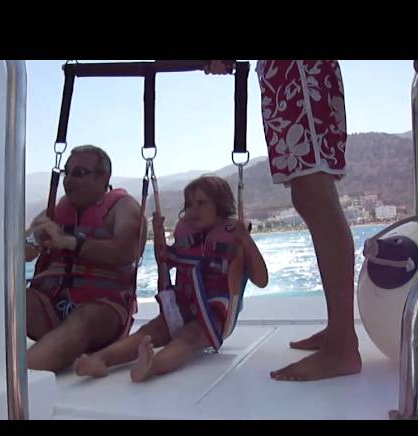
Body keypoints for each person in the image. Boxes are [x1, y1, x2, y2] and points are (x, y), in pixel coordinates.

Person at [206, 60, 362, 381]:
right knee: (309, 192)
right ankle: (338, 331)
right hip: (283, 72)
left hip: (299, 69)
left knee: (313, 191)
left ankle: (343, 345)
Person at [74, 175, 268, 382]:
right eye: (189, 205)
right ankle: (100, 360)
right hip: (183, 306)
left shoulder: (235, 240)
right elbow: (165, 261)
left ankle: (152, 366)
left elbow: (261, 280)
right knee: (149, 331)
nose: (193, 211)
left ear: (220, 205)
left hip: (213, 316)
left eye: (201, 204)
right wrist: (159, 237)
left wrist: (246, 241)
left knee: (188, 338)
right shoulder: (187, 237)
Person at [25, 145, 145, 373]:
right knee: (10, 301)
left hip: (103, 314)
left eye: (79, 173)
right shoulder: (57, 210)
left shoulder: (124, 208)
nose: (68, 180)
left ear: (104, 177)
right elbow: (24, 247)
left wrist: (69, 242)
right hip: (52, 307)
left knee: (84, 319)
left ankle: (13, 385)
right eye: (66, 172)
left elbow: (128, 252)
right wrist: (29, 242)